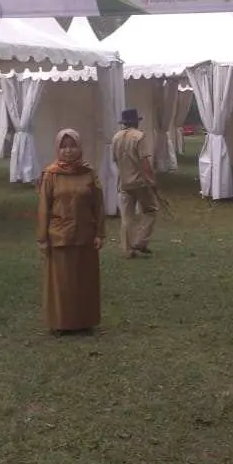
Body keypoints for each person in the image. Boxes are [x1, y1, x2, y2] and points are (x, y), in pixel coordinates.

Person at [35, 129, 105, 335]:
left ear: (80, 147)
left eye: (72, 145)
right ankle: (61, 324)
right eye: (63, 146)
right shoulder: (51, 174)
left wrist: (100, 233)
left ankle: (85, 321)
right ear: (58, 148)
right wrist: (42, 238)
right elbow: (43, 207)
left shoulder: (88, 173)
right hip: (60, 237)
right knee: (61, 284)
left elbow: (98, 205)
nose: (68, 151)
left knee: (85, 281)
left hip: (85, 235)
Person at [111, 108, 158, 258]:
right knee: (151, 210)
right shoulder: (139, 136)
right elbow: (144, 162)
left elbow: (115, 160)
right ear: (136, 121)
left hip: (124, 182)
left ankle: (127, 249)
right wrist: (151, 180)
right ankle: (140, 241)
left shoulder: (116, 137)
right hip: (140, 182)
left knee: (127, 217)